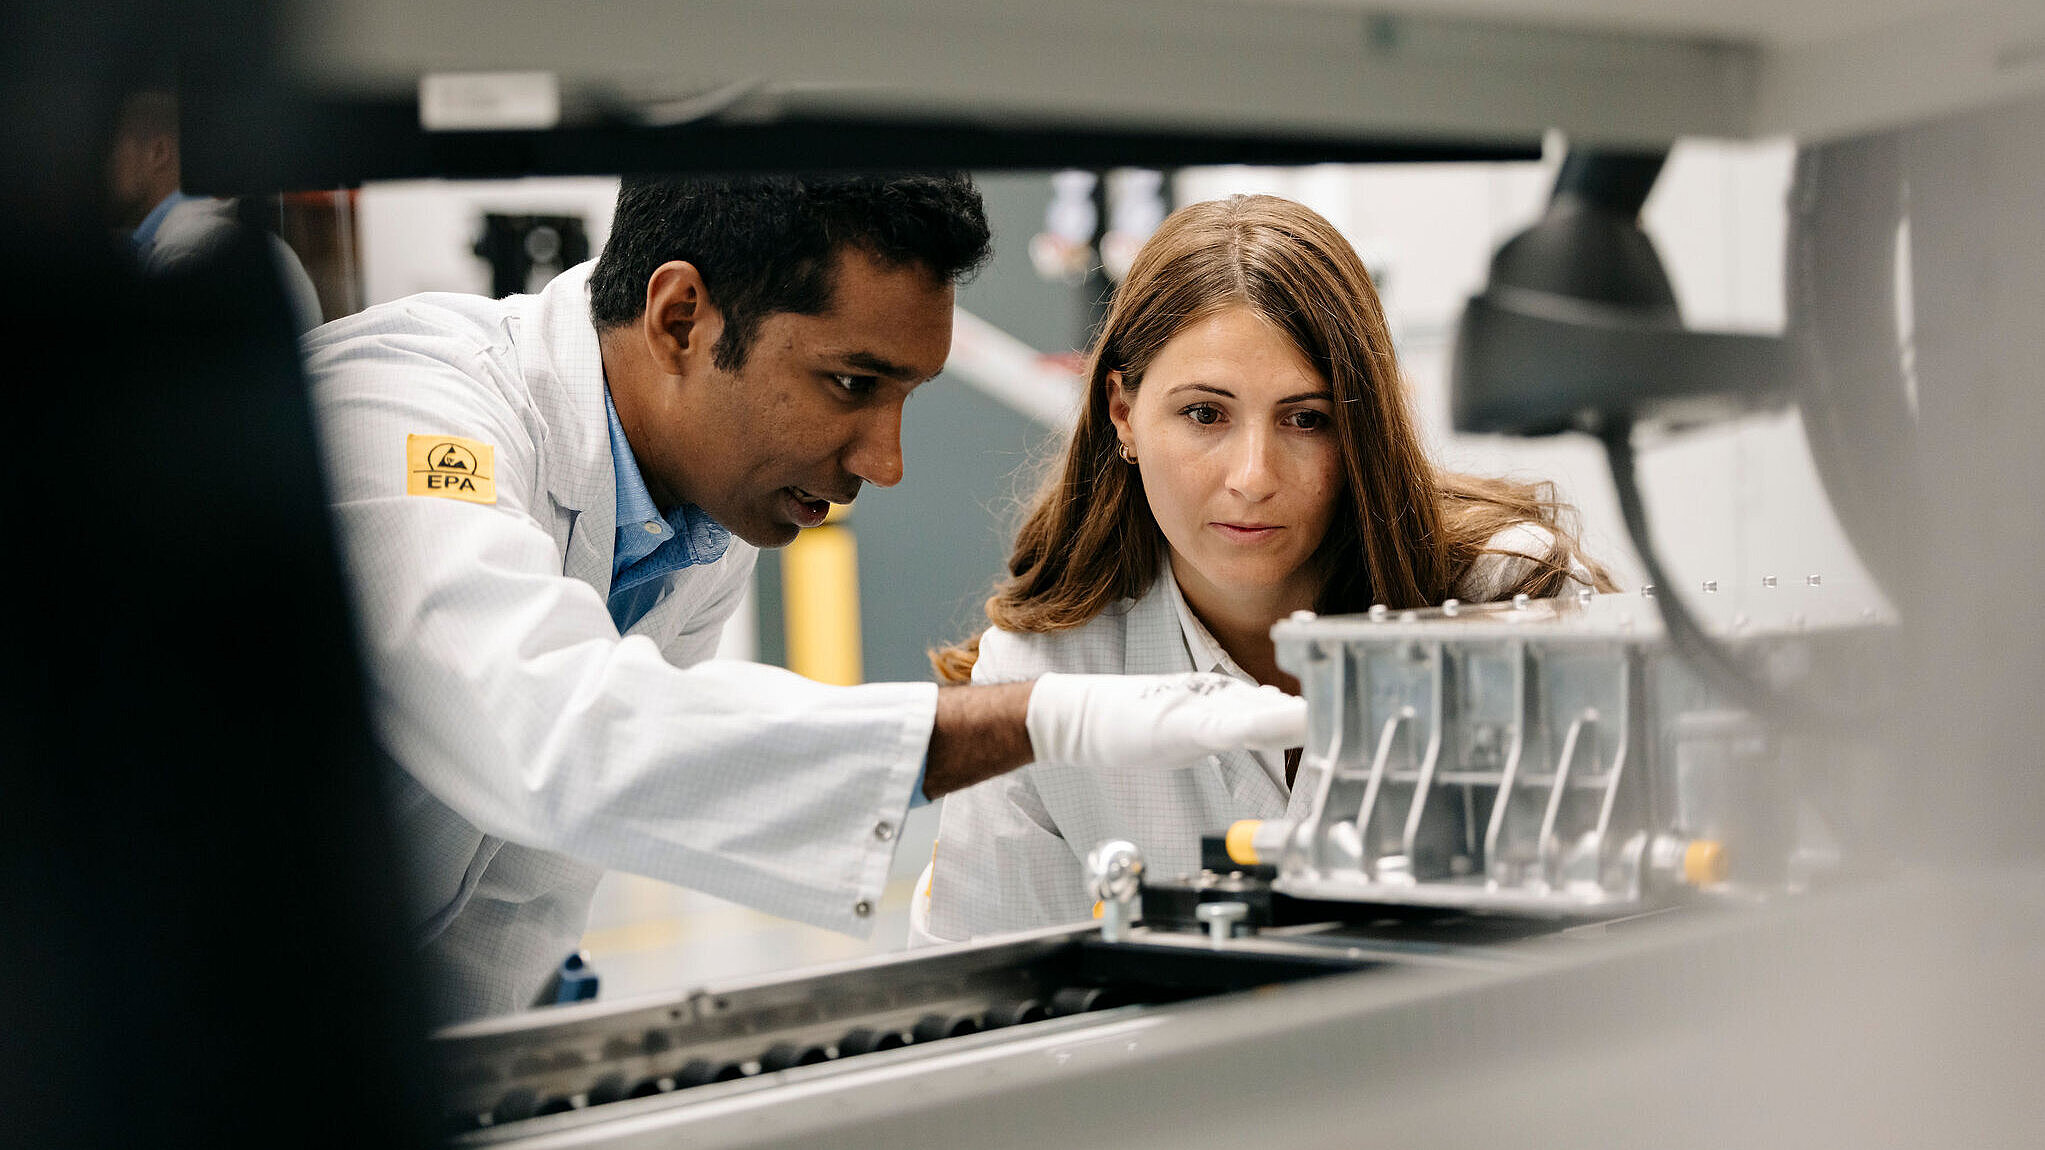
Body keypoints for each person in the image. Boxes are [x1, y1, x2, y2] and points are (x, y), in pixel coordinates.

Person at [303, 173, 1307, 1024]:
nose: (887, 458)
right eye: (850, 383)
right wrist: (1043, 716)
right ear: (681, 317)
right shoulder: (402, 415)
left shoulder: (699, 517)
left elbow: (533, 872)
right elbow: (555, 735)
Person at [916, 194, 1616, 943]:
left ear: (1362, 427)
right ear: (1121, 411)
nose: (1253, 477)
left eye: (1305, 419)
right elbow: (989, 1004)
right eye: (1205, 414)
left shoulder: (1513, 604)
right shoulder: (1042, 674)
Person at [105, 88, 323, 333]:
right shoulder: (220, 238)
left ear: (158, 153)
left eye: (112, 152)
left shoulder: (185, 254)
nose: (104, 167)